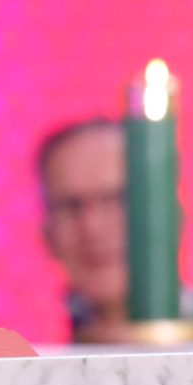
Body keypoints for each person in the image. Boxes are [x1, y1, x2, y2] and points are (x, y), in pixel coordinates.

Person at [36, 117, 127, 339]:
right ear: (48, 234)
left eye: (115, 200)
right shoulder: (27, 356)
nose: (92, 227)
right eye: (71, 206)